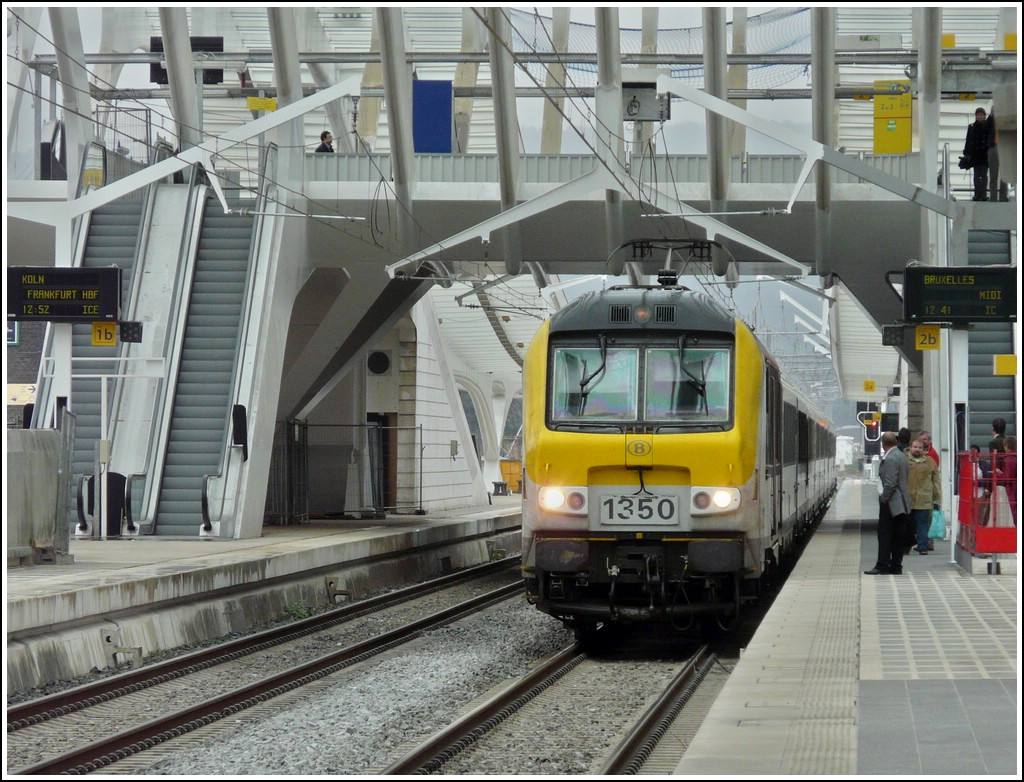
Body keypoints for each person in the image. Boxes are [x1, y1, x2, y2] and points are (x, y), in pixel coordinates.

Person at [865, 431, 912, 575]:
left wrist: (883, 499)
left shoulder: (891, 458)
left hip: (893, 503)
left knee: (885, 534)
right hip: (902, 502)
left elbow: (890, 484)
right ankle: (896, 566)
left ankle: (882, 565)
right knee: (898, 536)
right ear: (896, 441)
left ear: (883, 444)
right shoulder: (901, 456)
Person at [907, 438, 941, 554]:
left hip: (924, 499)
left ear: (924, 449)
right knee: (908, 524)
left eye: (920, 448)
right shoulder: (905, 460)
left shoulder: (930, 462)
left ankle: (922, 547)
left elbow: (936, 481)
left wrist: (937, 499)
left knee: (923, 524)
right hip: (908, 499)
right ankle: (906, 546)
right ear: (911, 447)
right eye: (915, 447)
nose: (917, 450)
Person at [963, 107, 990, 201]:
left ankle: (983, 193)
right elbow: (968, 140)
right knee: (976, 175)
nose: (979, 117)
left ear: (984, 116)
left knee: (984, 175)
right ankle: (977, 193)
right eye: (978, 115)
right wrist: (966, 153)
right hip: (975, 155)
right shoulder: (972, 127)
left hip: (985, 154)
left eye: (981, 115)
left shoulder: (988, 126)